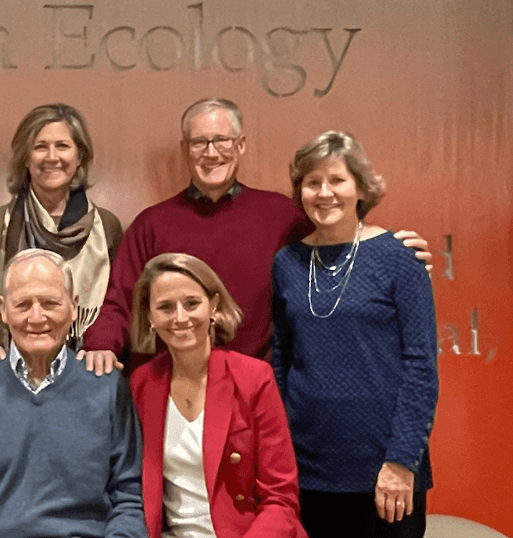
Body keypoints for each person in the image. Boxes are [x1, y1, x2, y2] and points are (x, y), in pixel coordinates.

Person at [82, 98, 431, 370]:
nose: (211, 152)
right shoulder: (152, 224)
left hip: (258, 391)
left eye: (221, 140)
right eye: (199, 143)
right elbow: (120, 303)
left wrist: (394, 256)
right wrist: (100, 344)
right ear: (184, 149)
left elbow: (338, 247)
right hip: (174, 388)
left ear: (241, 145)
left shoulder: (283, 216)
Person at [272, 131, 438, 538]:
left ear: (361, 188)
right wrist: (278, 453)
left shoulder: (401, 258)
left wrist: (401, 462)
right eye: (312, 182)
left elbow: (421, 367)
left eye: (337, 180)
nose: (324, 193)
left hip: (384, 469)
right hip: (307, 467)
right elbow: (282, 359)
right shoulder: (287, 262)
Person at [0, 249, 146, 538]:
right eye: (23, 304)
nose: (36, 318)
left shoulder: (106, 385)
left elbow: (129, 496)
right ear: (2, 308)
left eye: (50, 303)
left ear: (74, 306)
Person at [128, 253, 305, 538]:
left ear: (214, 306)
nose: (180, 317)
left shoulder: (253, 378)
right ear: (150, 317)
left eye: (191, 303)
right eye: (165, 307)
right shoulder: (141, 383)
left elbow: (281, 499)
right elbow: (134, 492)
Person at [0, 103, 123, 365]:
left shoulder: (108, 227)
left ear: (80, 155)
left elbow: (119, 308)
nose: (51, 156)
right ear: (25, 157)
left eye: (62, 146)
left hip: (85, 371)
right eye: (40, 147)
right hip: (12, 372)